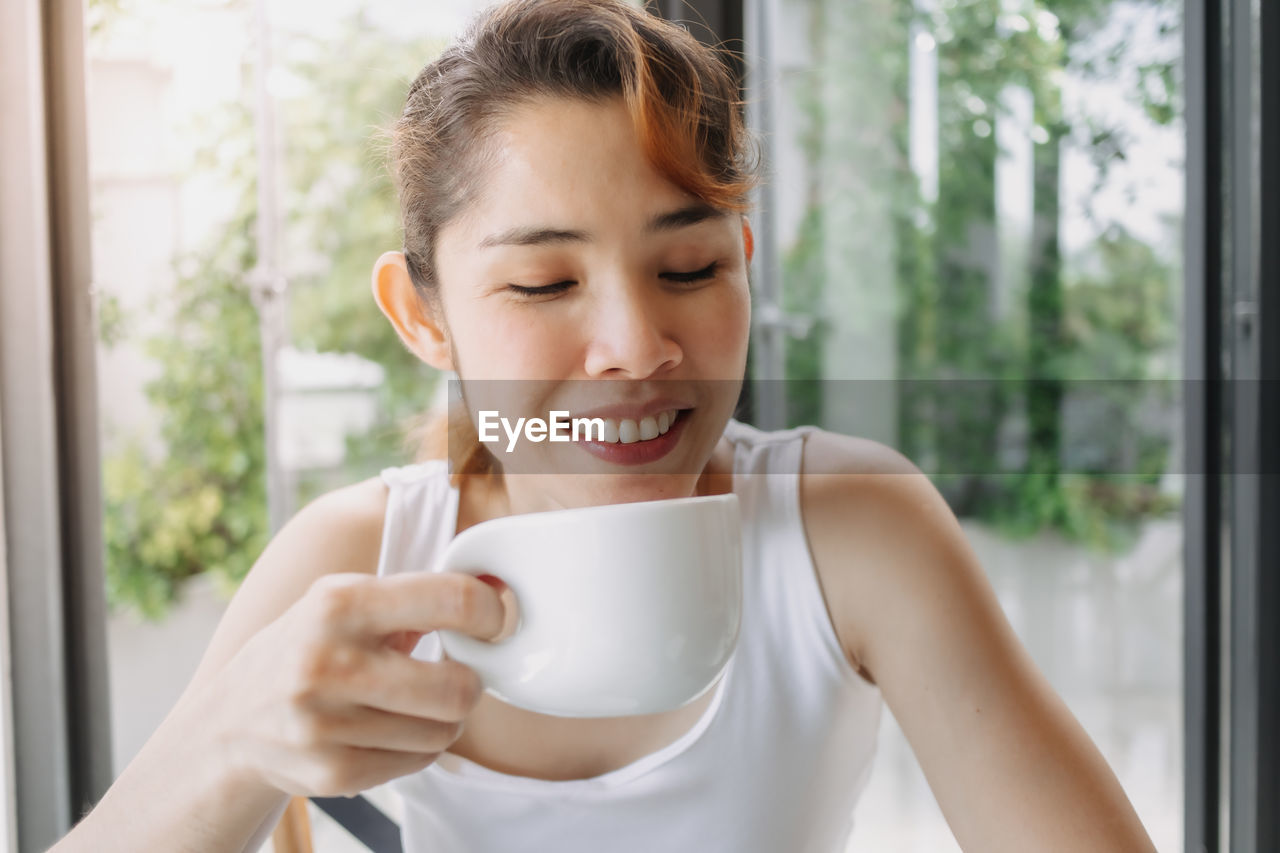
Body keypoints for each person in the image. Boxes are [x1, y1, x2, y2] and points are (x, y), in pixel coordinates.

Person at [51, 0, 1158, 850]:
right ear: (421, 316)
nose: (636, 345)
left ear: (745, 269)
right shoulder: (358, 558)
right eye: (542, 284)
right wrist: (231, 747)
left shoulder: (849, 533)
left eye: (688, 266)